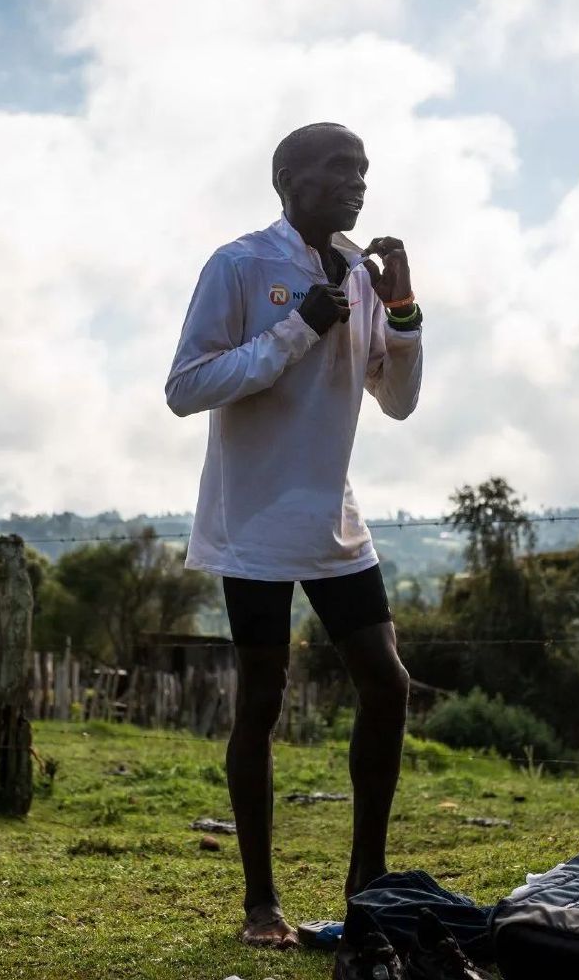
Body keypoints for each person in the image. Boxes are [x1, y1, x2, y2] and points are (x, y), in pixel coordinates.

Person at [165, 122, 424, 949]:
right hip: (254, 523)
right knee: (263, 699)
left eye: (364, 172)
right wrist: (296, 327)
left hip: (333, 516)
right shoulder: (240, 265)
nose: (357, 184)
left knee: (387, 684)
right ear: (287, 181)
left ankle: (367, 884)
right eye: (339, 169)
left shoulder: (358, 274)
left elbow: (399, 399)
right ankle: (260, 904)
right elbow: (186, 386)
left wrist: (405, 311)